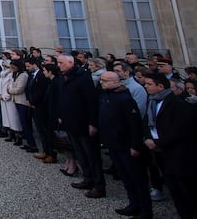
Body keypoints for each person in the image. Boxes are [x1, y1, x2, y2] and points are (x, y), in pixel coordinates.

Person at [97, 72, 152, 218]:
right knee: (126, 177)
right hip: (113, 143)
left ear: (115, 82)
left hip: (126, 144)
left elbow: (134, 124)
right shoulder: (107, 95)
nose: (101, 82)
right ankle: (133, 204)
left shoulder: (125, 99)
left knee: (137, 179)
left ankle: (146, 211)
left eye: (104, 80)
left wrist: (135, 145)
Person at [143, 72, 197, 218]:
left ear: (160, 86)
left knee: (186, 190)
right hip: (161, 153)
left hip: (177, 153)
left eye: (149, 84)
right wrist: (149, 139)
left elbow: (179, 130)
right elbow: (148, 123)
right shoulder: (152, 101)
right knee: (174, 189)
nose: (145, 86)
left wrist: (157, 142)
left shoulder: (178, 104)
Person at [55, 54, 105, 198]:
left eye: (61, 63)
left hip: (83, 123)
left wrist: (92, 123)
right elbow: (62, 98)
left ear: (70, 63)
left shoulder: (83, 77)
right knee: (80, 154)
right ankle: (88, 179)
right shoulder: (63, 77)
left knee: (92, 155)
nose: (59, 65)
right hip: (70, 122)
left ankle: (99, 185)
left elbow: (91, 101)